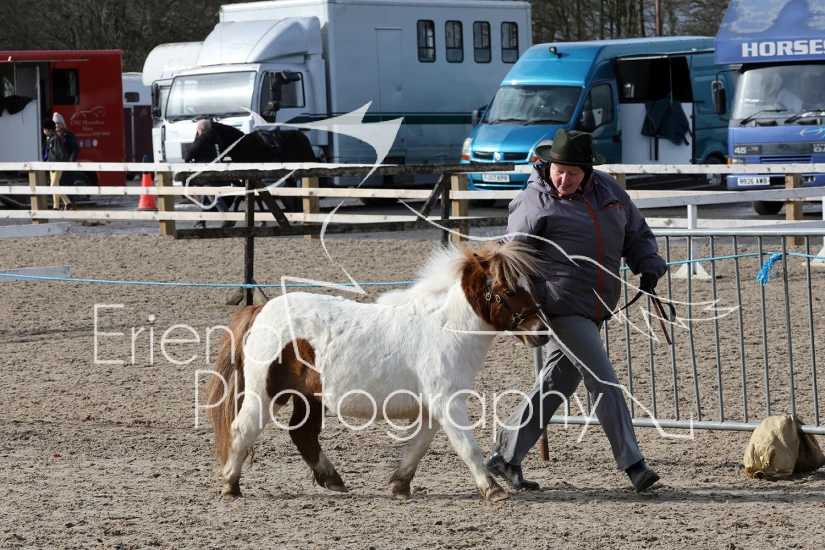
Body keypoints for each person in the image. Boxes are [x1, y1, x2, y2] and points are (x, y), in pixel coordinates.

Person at [484, 129, 667, 493]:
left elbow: (636, 231)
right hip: (558, 306)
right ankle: (634, 464)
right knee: (603, 379)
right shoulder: (535, 201)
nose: (563, 179)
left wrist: (647, 264)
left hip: (594, 305)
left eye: (572, 173)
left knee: (558, 382)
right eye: (558, 171)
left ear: (587, 171)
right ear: (547, 165)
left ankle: (505, 456)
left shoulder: (609, 190)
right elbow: (511, 255)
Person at [184, 118, 234, 229]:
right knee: (205, 197)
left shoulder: (202, 139)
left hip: (205, 171)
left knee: (212, 195)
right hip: (217, 169)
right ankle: (200, 222)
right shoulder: (217, 138)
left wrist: (188, 160)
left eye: (197, 129)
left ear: (201, 129)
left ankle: (228, 218)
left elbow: (191, 153)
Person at [42, 119, 75, 210]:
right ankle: (56, 206)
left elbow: (59, 152)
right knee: (56, 185)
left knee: (53, 186)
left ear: (49, 129)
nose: (43, 131)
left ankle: (67, 202)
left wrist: (61, 163)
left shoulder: (55, 139)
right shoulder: (49, 138)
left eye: (44, 129)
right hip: (51, 164)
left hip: (56, 164)